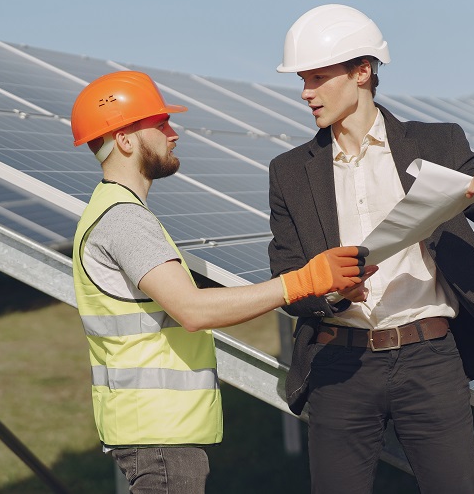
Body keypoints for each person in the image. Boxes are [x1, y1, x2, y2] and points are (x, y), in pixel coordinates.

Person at [268, 4, 474, 493]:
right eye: (302, 79)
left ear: (362, 72)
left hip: (430, 360)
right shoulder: (290, 171)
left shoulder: (438, 141)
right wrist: (332, 293)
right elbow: (288, 277)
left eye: (317, 77)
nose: (305, 92)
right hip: (340, 366)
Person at [70, 70, 371, 494]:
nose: (173, 133)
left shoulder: (114, 211)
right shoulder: (124, 220)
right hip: (158, 434)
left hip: (155, 429)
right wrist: (302, 281)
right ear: (124, 139)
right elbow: (192, 310)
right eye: (160, 124)